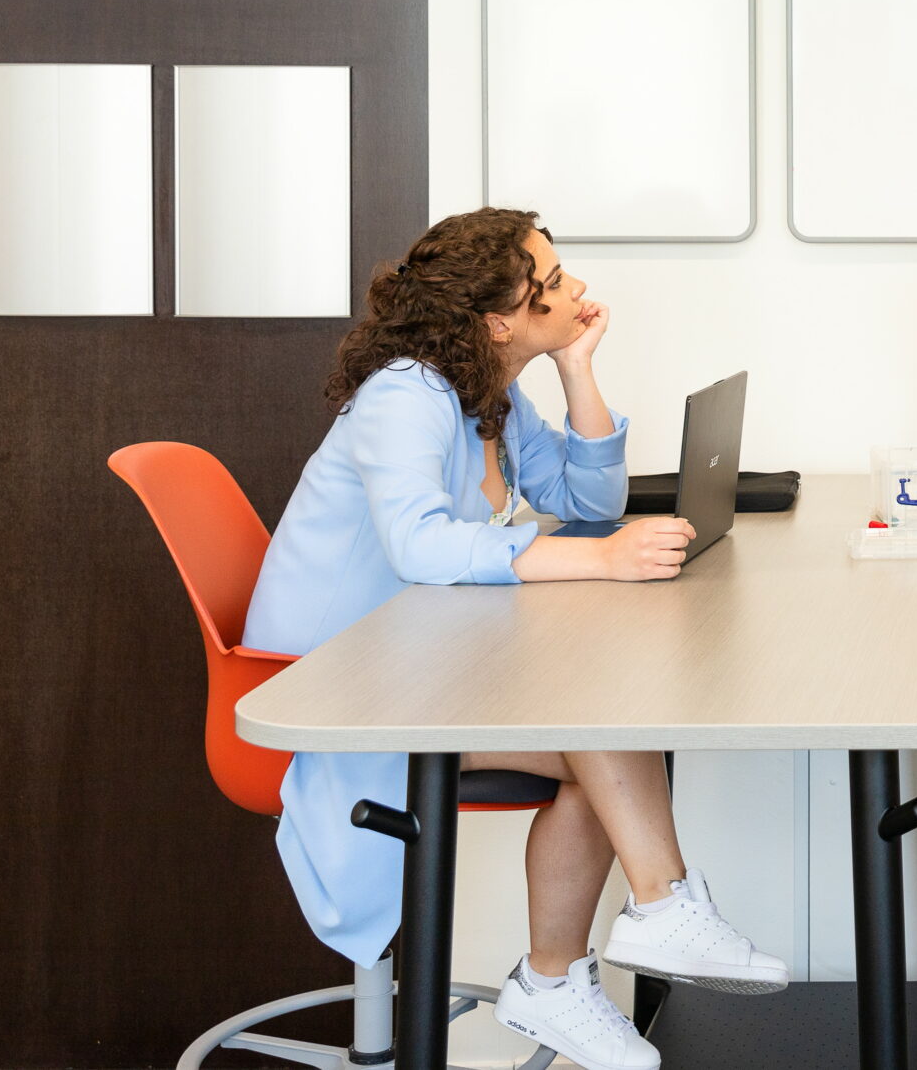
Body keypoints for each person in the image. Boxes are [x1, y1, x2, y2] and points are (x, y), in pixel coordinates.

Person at [245, 208, 788, 1070]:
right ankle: (643, 919)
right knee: (598, 719)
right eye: (554, 283)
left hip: (416, 662)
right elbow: (418, 543)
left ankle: (577, 964)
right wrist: (599, 562)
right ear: (501, 320)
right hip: (331, 693)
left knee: (606, 731)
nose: (577, 289)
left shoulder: (485, 394)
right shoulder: (405, 394)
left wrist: (577, 367)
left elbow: (588, 500)